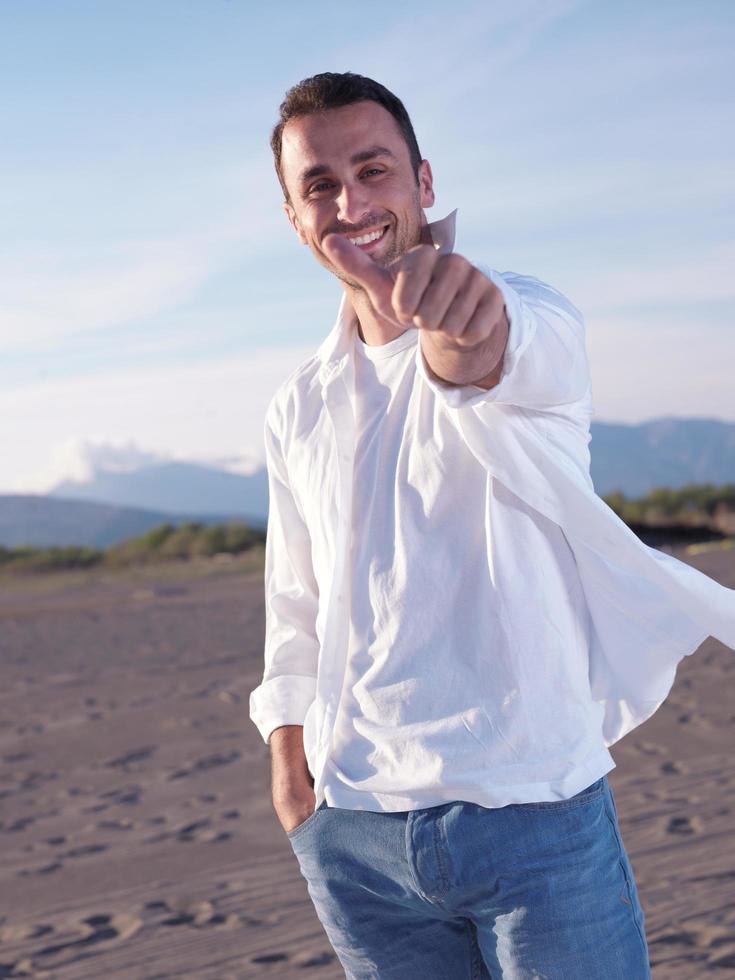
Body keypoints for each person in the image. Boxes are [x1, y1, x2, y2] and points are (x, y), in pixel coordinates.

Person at [249, 71, 735, 979]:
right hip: (353, 834)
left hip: (530, 816)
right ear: (293, 215)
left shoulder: (524, 313)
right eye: (319, 183)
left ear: (423, 183)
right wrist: (289, 761)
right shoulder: (297, 404)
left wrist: (464, 332)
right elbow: (294, 602)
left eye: (374, 168)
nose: (350, 201)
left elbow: (492, 349)